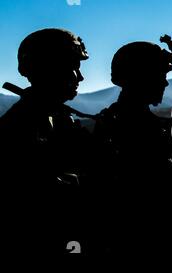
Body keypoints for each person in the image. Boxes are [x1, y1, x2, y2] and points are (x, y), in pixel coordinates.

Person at [92, 37, 172, 255]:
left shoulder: (135, 118)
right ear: (140, 77)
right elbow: (138, 172)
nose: (165, 83)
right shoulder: (121, 121)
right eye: (160, 76)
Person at [0, 28, 91, 253]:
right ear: (50, 68)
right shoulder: (20, 126)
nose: (80, 77)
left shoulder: (57, 119)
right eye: (74, 67)